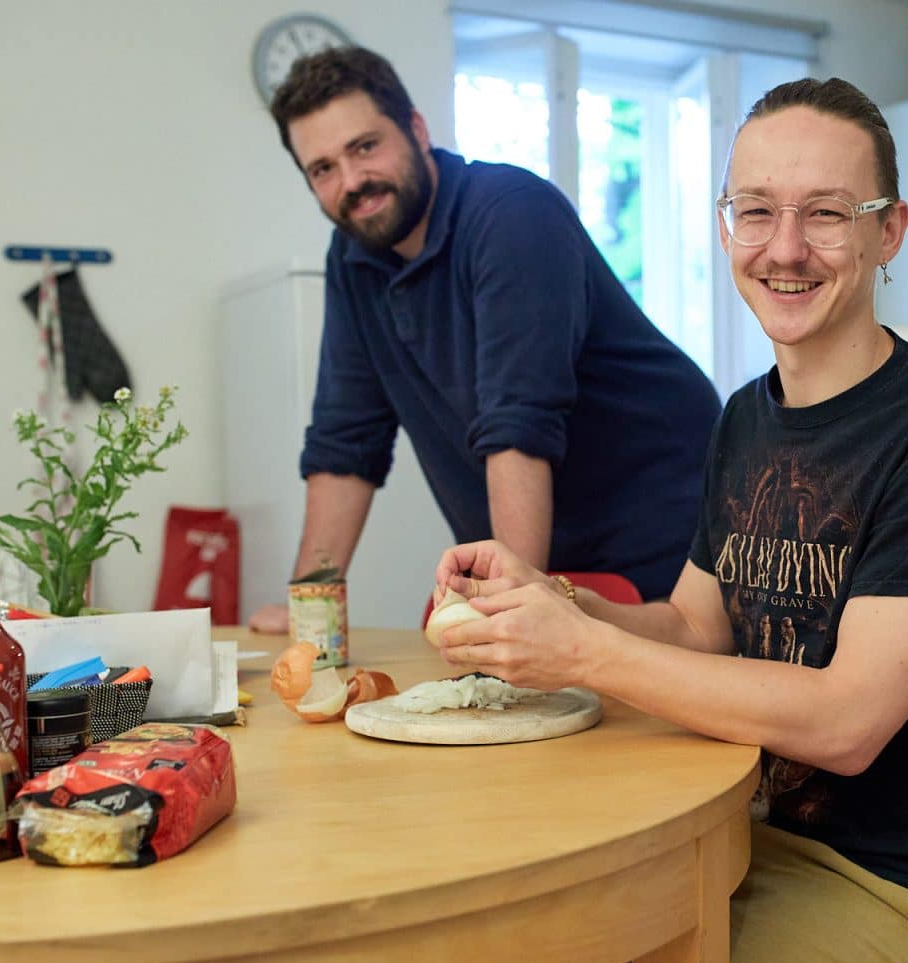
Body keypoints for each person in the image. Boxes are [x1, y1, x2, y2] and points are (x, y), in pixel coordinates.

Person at [433, 77, 908, 963]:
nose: (783, 248)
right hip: (745, 841)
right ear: (727, 226)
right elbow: (695, 623)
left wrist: (585, 653)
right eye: (756, 211)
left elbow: (848, 723)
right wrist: (560, 600)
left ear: (887, 232)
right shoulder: (745, 419)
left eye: (825, 215)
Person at [247, 46, 722, 633]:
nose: (352, 182)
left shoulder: (510, 214)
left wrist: (508, 612)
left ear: (416, 130)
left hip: (665, 559)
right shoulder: (354, 257)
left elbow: (518, 424)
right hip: (549, 565)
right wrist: (309, 613)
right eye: (322, 169)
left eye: (365, 147)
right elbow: (345, 444)